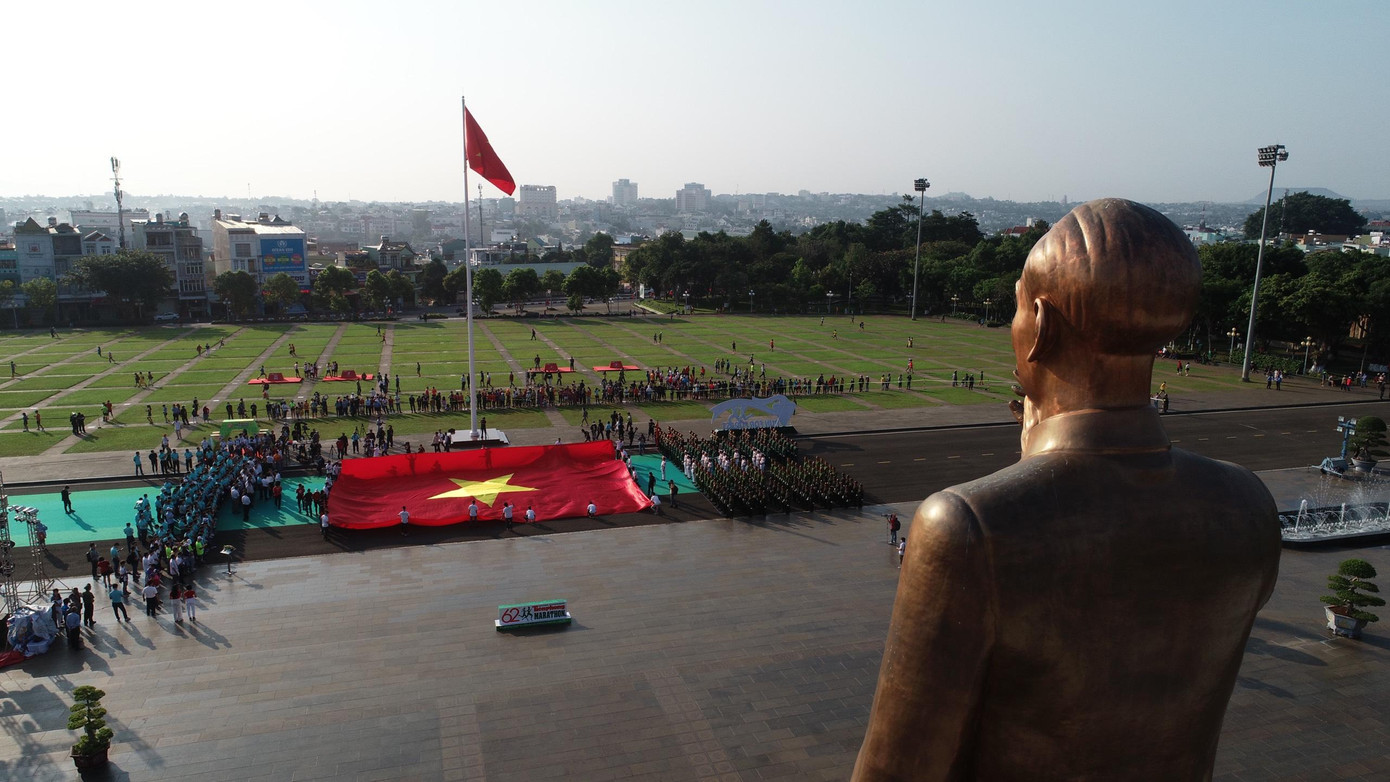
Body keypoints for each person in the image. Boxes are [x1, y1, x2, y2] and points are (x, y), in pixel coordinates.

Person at [852, 199, 1281, 781]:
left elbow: (897, 770)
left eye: (1017, 308)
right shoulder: (1248, 503)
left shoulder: (969, 525)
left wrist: (1027, 475)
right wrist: (1037, 457)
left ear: (1042, 325)